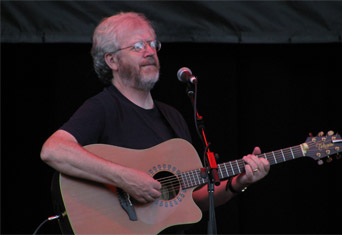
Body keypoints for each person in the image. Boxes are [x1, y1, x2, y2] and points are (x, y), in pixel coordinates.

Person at [40, 11, 270, 232]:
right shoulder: (103, 107)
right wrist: (125, 179)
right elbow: (53, 150)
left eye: (153, 44)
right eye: (138, 46)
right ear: (112, 60)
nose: (150, 52)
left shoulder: (173, 117)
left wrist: (237, 183)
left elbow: (192, 199)